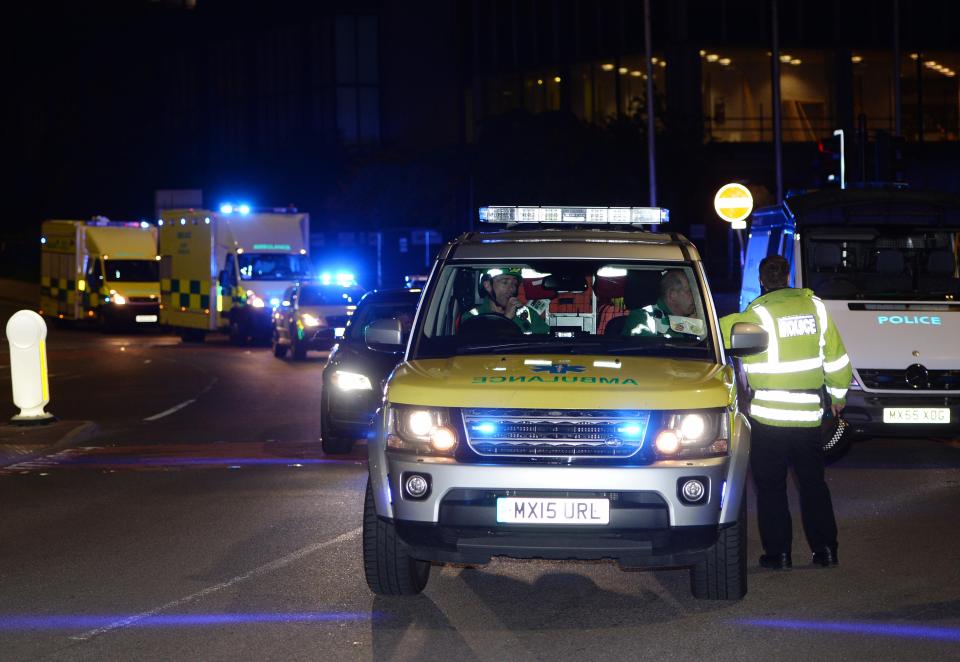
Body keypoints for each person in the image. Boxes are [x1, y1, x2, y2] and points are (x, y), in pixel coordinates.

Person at [720, 255, 852, 570]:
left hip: (769, 418)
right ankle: (826, 551)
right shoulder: (816, 308)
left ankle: (778, 554)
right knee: (814, 485)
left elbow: (718, 331)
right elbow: (836, 357)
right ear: (789, 276)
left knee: (771, 488)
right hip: (808, 416)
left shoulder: (757, 314)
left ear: (763, 281)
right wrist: (838, 395)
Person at [460, 267, 549, 334]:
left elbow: (546, 341)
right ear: (487, 285)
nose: (511, 289)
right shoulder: (472, 316)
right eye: (505, 282)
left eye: (515, 284)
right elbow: (473, 349)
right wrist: (506, 319)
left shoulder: (527, 314)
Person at [621, 269, 705, 338]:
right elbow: (652, 354)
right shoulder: (643, 317)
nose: (694, 296)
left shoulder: (692, 319)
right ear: (672, 295)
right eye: (689, 291)